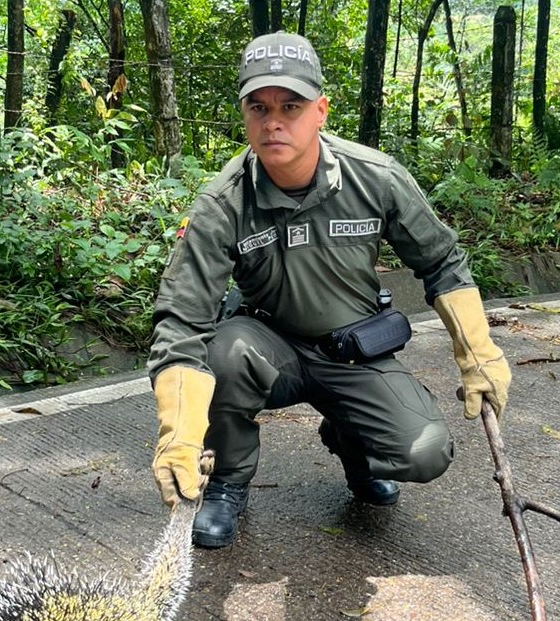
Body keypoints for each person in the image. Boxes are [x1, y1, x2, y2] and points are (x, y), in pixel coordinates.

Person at [148, 32, 511, 548]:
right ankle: (225, 482)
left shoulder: (376, 178)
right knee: (221, 352)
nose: (274, 120)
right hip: (269, 350)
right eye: (259, 107)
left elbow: (442, 261)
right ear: (245, 115)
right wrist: (178, 434)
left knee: (424, 451)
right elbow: (182, 320)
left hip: (354, 353)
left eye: (291, 106)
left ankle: (353, 441)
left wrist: (478, 354)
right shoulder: (222, 204)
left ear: (320, 110)